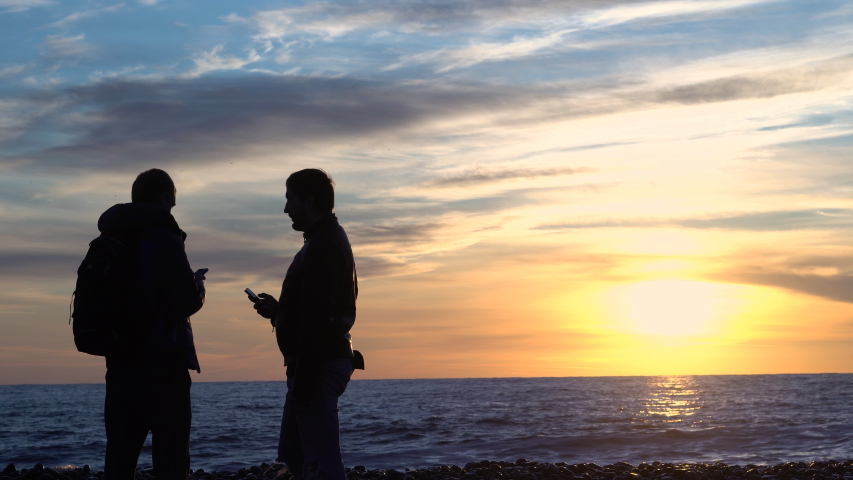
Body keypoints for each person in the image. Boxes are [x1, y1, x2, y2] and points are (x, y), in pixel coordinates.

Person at [98, 168, 206, 480]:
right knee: (171, 459)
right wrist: (198, 285)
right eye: (172, 203)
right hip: (163, 364)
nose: (172, 210)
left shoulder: (111, 237)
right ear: (163, 198)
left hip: (119, 363)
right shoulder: (163, 235)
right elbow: (185, 301)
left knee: (119, 459)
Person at [251, 168, 359, 480]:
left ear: (309, 201)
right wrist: (279, 312)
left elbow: (317, 323)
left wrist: (303, 386)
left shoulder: (323, 246)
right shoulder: (323, 241)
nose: (286, 209)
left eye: (290, 199)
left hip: (317, 366)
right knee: (294, 459)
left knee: (321, 464)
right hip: (314, 365)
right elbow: (314, 311)